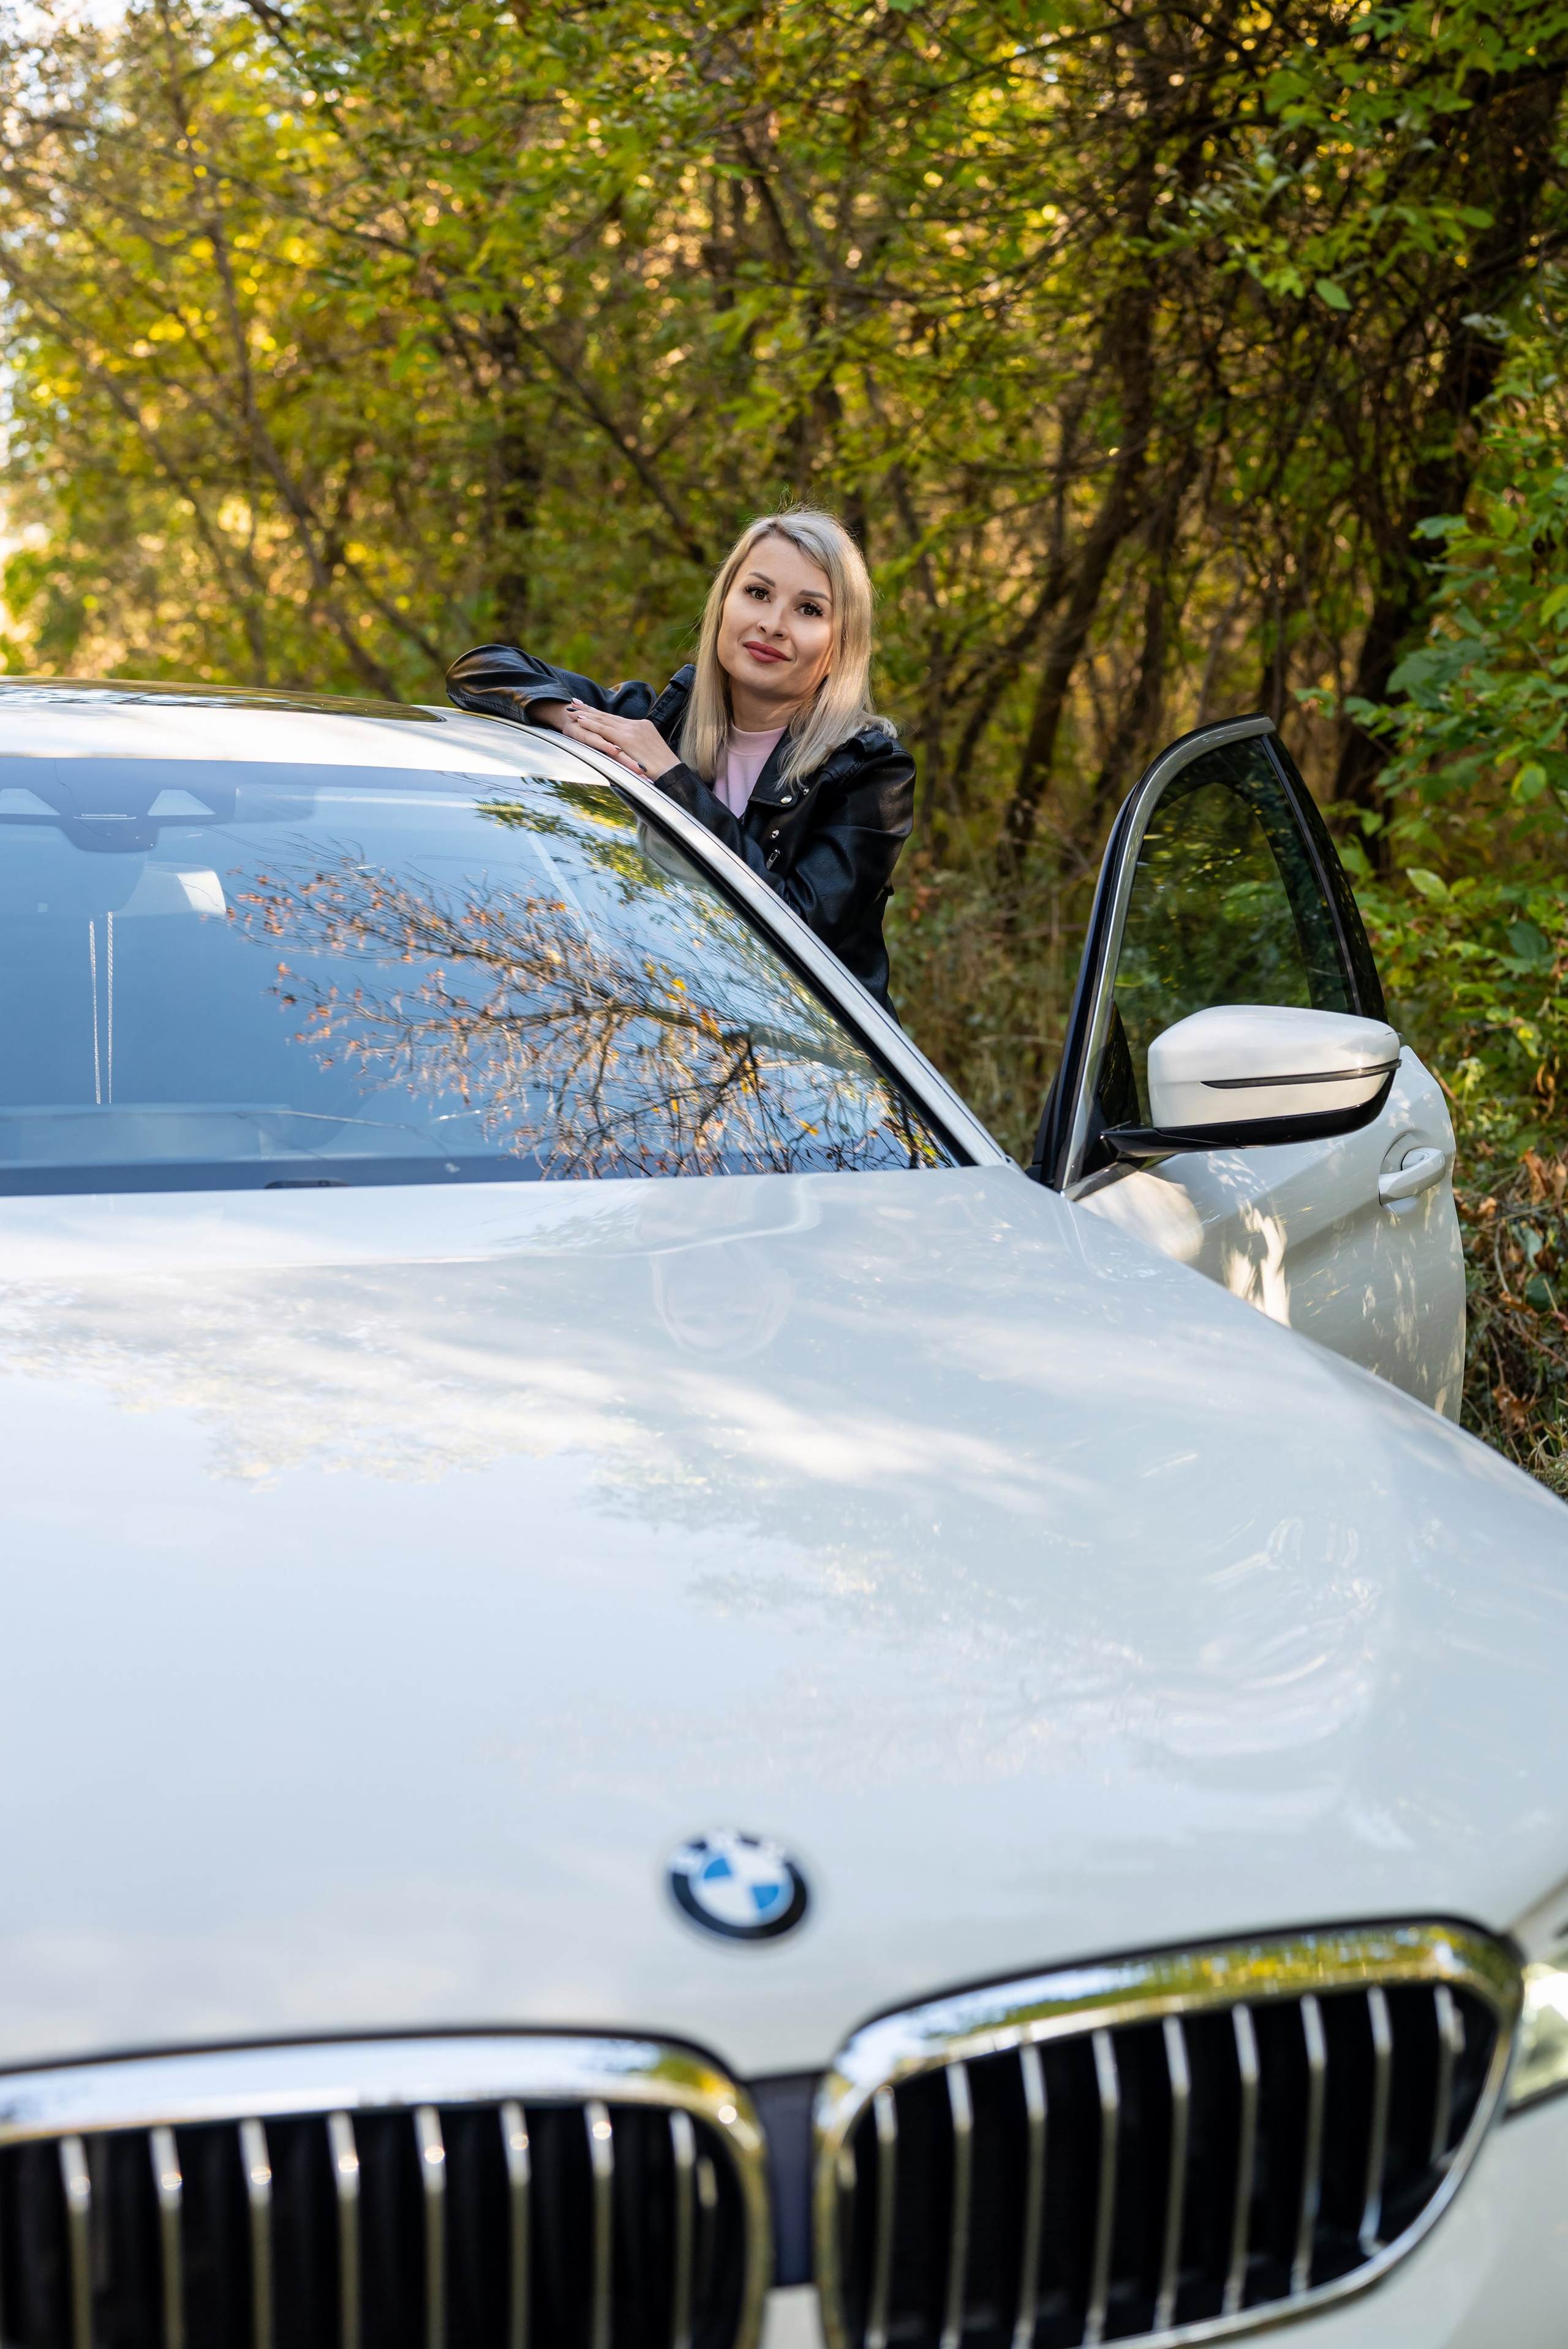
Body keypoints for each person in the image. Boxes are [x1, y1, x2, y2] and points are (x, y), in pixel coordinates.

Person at [445, 507, 914, 1009]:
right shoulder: (660, 722)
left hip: (807, 1063)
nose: (772, 624)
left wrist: (673, 779)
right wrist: (566, 716)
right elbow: (479, 668)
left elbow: (798, 926)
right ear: (723, 606)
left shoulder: (871, 773)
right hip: (664, 1031)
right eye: (757, 593)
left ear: (841, 642)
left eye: (809, 610)